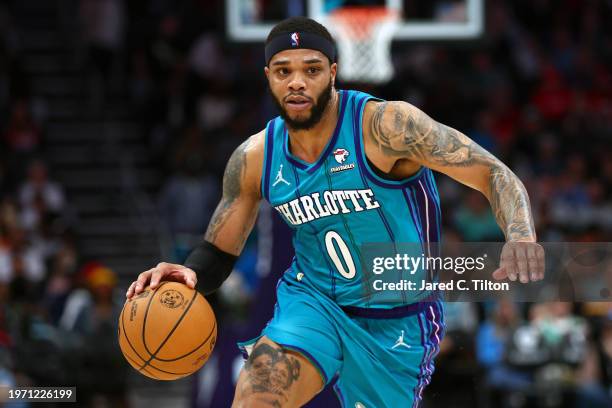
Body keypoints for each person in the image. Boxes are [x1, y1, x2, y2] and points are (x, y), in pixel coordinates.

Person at [126, 17, 545, 407]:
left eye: (311, 69)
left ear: (333, 72)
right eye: (283, 70)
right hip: (313, 303)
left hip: (397, 318)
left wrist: (521, 234)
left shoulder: (386, 126)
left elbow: (492, 173)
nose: (297, 82)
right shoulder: (254, 158)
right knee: (256, 396)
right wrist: (192, 274)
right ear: (268, 77)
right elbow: (220, 251)